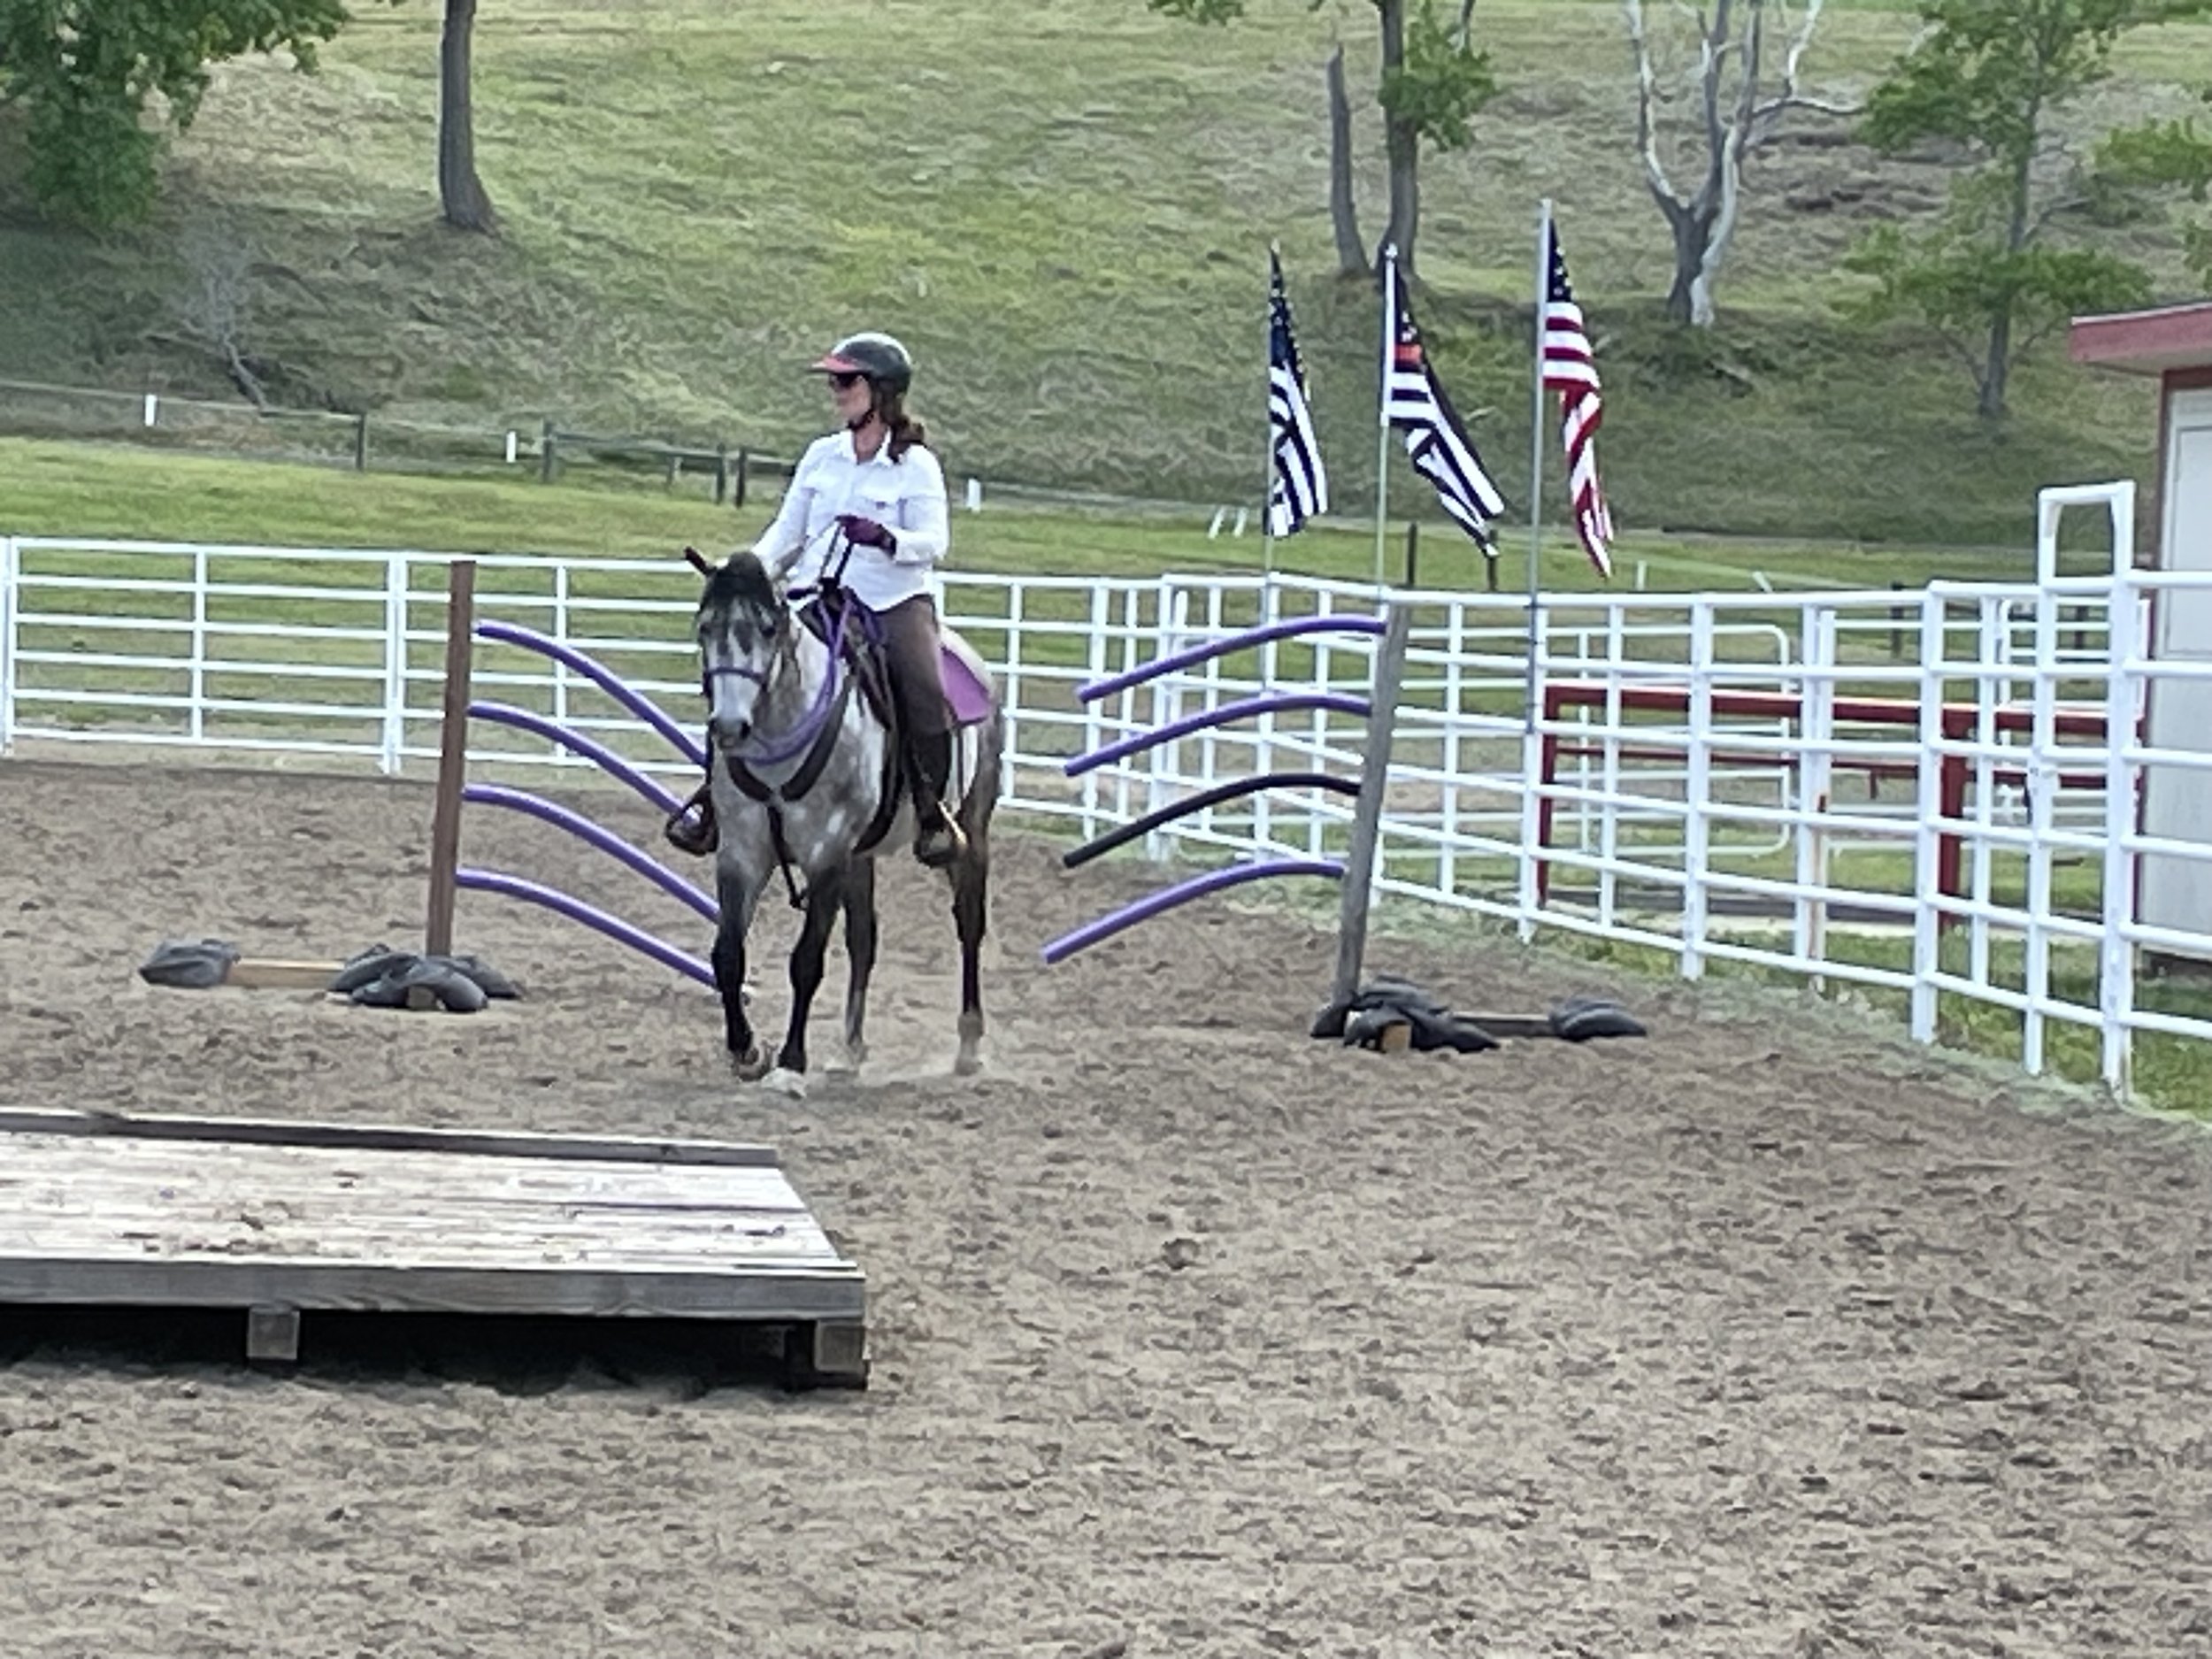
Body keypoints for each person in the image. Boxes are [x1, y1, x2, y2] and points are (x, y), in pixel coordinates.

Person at [667, 330, 967, 869]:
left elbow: (935, 542)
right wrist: (745, 570)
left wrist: (887, 538)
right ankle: (715, 800)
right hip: (817, 600)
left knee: (925, 691)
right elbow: (787, 533)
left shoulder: (916, 465)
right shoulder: (821, 456)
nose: (836, 391)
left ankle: (931, 811)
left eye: (846, 381)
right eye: (835, 381)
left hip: (893, 604)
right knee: (743, 677)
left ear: (881, 390)